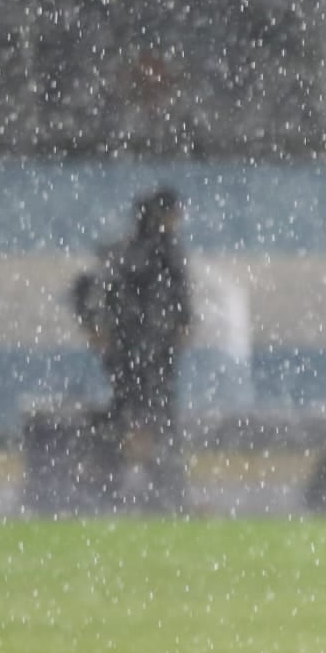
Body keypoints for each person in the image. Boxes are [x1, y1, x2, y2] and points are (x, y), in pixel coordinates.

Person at [101, 186, 192, 509]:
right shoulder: (161, 254)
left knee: (136, 415)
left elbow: (113, 297)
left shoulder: (132, 253)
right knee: (153, 417)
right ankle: (160, 487)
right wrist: (174, 326)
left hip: (136, 351)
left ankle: (136, 484)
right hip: (149, 351)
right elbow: (176, 297)